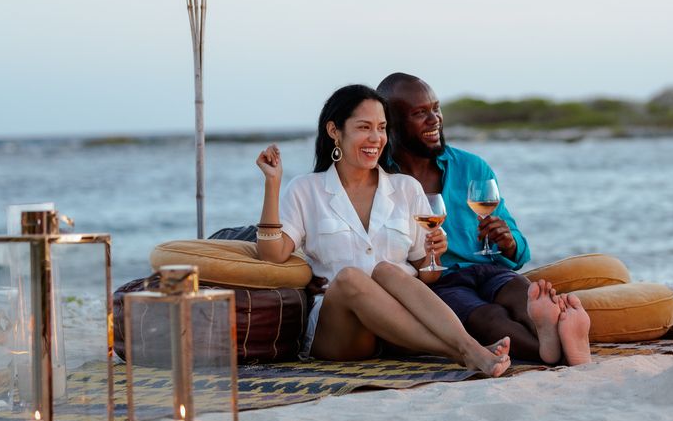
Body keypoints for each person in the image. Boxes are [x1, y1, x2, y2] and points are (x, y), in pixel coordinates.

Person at [253, 84, 512, 377]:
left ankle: (467, 347)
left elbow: (428, 275)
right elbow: (272, 254)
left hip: (399, 330)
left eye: (382, 127)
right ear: (335, 131)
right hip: (343, 333)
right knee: (350, 277)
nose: (375, 138)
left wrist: (433, 255)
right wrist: (272, 184)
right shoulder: (305, 189)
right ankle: (463, 351)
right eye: (364, 127)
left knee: (388, 270)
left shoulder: (406, 188)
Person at [377, 73, 592, 366]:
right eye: (420, 113)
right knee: (489, 318)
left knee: (523, 296)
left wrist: (508, 242)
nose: (435, 119)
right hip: (440, 282)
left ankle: (554, 343)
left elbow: (520, 253)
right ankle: (560, 353)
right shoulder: (382, 178)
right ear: (391, 122)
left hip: (489, 269)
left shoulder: (471, 166)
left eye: (436, 108)